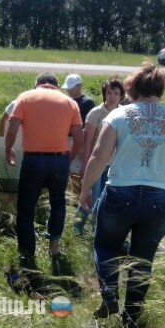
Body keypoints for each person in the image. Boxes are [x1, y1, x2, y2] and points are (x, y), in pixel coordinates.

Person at [79, 63, 165, 328]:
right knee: (142, 260)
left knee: (105, 246)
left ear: (132, 88)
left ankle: (110, 296)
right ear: (160, 89)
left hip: (120, 193)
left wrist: (85, 190)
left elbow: (98, 157)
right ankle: (131, 321)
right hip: (160, 199)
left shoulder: (118, 116)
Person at [5, 72, 83, 275]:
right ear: (56, 86)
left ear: (37, 84)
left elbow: (12, 127)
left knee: (26, 208)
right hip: (59, 160)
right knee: (58, 203)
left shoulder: (25, 97)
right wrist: (69, 158)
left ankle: (27, 252)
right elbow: (78, 137)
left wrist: (8, 149)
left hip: (33, 160)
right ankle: (54, 248)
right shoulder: (70, 103)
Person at [73, 77, 125, 234]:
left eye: (116, 93)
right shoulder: (95, 114)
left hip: (114, 165)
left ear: (121, 96)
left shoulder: (124, 113)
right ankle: (77, 229)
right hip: (96, 162)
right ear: (104, 94)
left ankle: (95, 231)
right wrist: (85, 165)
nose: (112, 97)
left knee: (104, 200)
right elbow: (87, 142)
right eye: (109, 93)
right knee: (89, 197)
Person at [62, 74, 96, 194]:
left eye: (71, 87)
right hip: (66, 140)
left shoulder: (87, 103)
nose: (68, 90)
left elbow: (88, 127)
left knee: (76, 171)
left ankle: (76, 197)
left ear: (79, 86)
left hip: (79, 140)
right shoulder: (66, 101)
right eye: (68, 88)